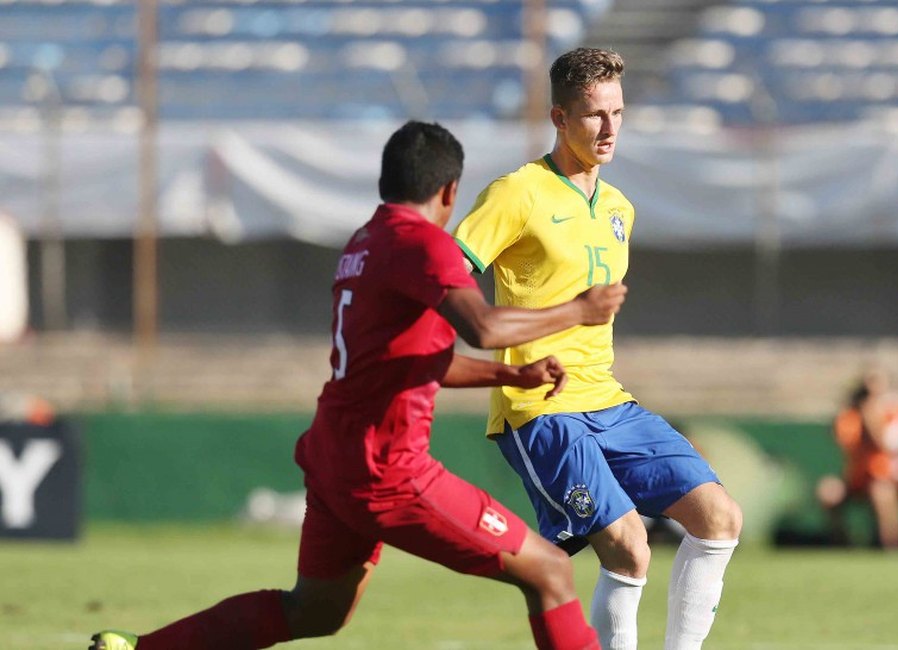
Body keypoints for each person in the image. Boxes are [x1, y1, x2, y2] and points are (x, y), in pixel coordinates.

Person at [90, 121, 630, 650]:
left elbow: (408, 361)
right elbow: (483, 327)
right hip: (389, 469)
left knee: (314, 611)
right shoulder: (425, 245)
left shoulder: (364, 243)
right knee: (551, 572)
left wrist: (510, 375)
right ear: (449, 191)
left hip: (334, 460)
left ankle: (139, 648)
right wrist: (580, 310)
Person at [452, 48, 742, 650]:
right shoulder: (517, 193)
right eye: (592, 115)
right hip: (541, 407)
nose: (609, 128)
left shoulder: (619, 209)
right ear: (559, 118)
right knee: (629, 545)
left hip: (608, 399)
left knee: (720, 518)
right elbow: (446, 277)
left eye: (617, 112)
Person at [814, 367, 898, 549]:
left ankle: (893, 546)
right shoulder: (852, 416)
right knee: (828, 492)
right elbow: (843, 438)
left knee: (881, 490)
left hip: (889, 476)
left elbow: (890, 446)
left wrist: (872, 418)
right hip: (858, 478)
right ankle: (843, 544)